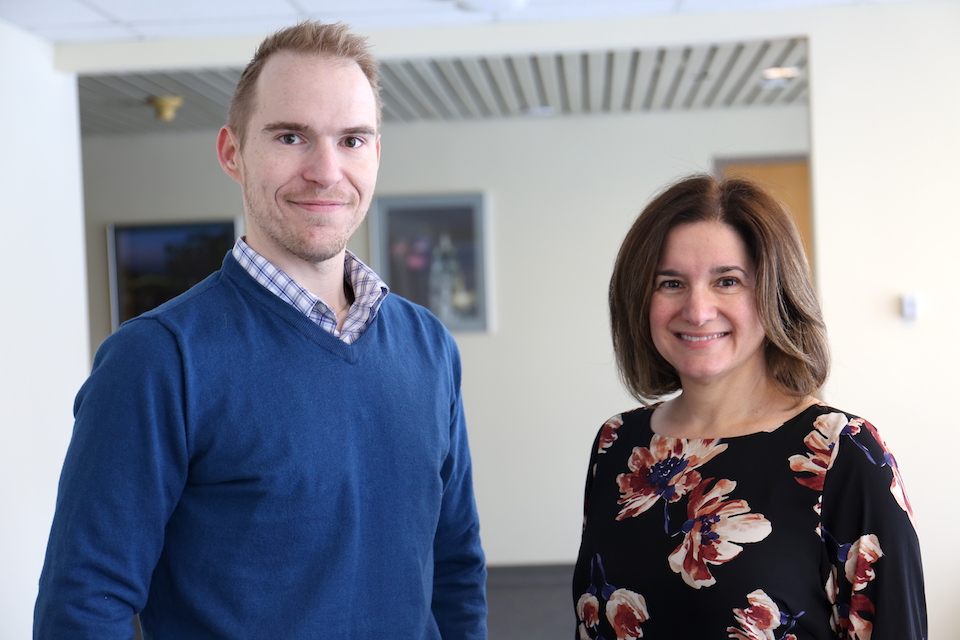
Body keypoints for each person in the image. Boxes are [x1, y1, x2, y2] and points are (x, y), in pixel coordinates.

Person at [35, 21, 487, 639]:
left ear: (376, 154)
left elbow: (455, 568)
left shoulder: (428, 346)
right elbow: (84, 604)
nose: (326, 171)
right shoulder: (157, 360)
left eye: (352, 139)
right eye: (291, 136)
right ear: (232, 151)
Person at [573, 174, 925, 639]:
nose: (697, 310)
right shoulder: (617, 444)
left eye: (728, 281)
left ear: (773, 294)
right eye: (671, 283)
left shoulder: (842, 455)